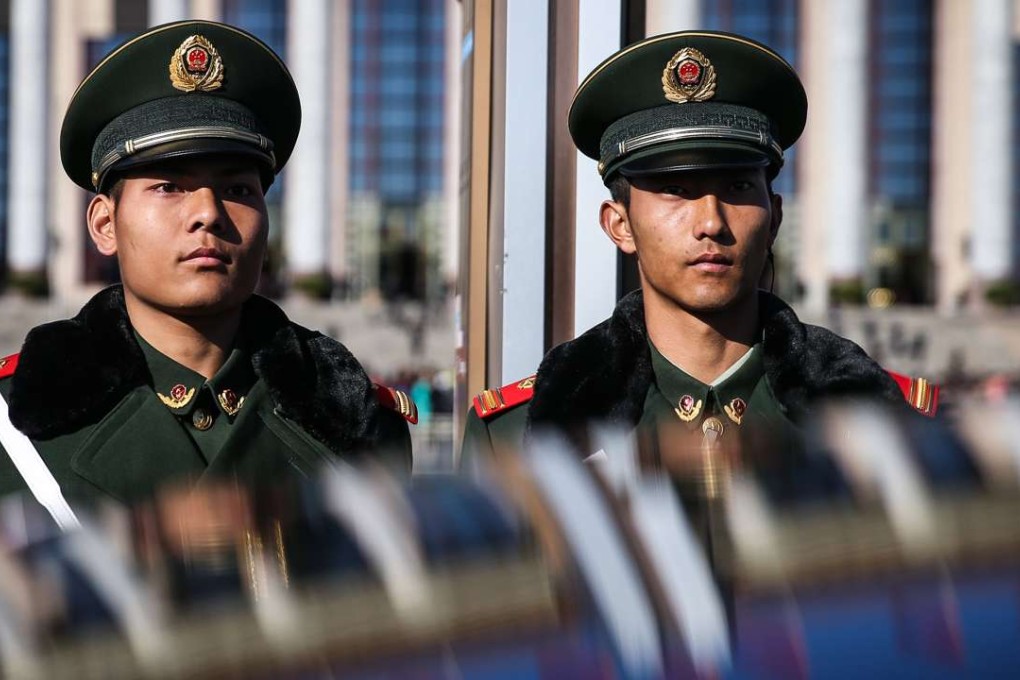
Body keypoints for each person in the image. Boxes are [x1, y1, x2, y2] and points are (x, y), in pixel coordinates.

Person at [461, 31, 938, 479]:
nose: (711, 221)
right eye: (675, 190)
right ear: (619, 225)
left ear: (774, 217)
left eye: (736, 187)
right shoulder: (518, 436)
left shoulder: (889, 423)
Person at [0, 21, 416, 516]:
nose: (209, 213)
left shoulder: (355, 421)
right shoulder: (16, 424)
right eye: (168, 187)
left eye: (238, 190)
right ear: (105, 224)